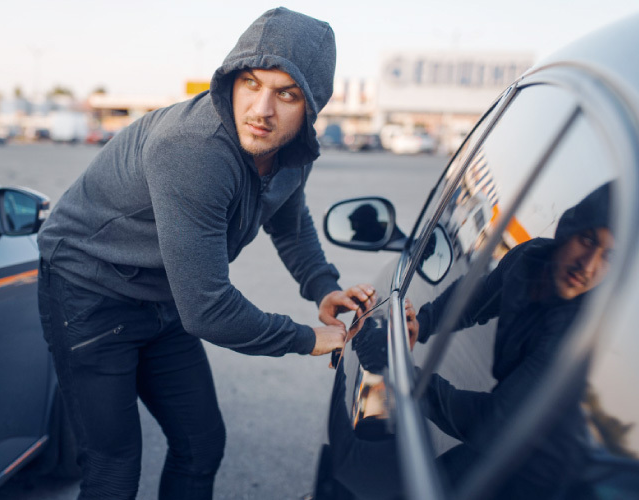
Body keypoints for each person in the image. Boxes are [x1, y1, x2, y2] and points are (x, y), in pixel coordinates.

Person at [37, 8, 374, 499]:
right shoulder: (192, 150)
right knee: (113, 469)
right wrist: (307, 338)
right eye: (251, 83)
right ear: (230, 80)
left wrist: (323, 286)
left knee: (201, 444)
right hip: (90, 291)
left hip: (167, 294)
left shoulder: (290, 149)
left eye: (286, 93)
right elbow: (209, 310)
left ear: (311, 105)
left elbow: (288, 217)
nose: (261, 110)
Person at [406, 182, 614, 498]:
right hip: (503, 443)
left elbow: (496, 423)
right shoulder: (529, 258)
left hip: (547, 474)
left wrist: (407, 382)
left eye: (609, 256)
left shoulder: (579, 333)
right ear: (568, 229)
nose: (587, 266)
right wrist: (421, 323)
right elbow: (476, 299)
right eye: (587, 240)